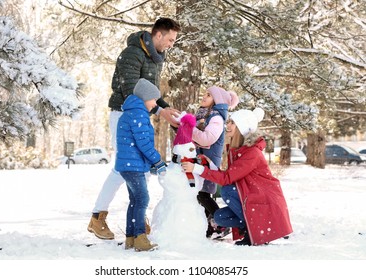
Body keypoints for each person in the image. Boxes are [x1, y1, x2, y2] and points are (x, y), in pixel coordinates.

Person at [87, 18, 181, 240]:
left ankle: (137, 221)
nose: (171, 44)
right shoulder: (132, 53)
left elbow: (151, 92)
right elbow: (131, 89)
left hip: (139, 114)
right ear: (158, 35)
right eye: (170, 39)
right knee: (123, 166)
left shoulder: (155, 58)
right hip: (123, 114)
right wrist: (160, 112)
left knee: (142, 168)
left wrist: (167, 108)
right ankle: (97, 217)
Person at [182, 107, 293, 246]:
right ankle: (250, 227)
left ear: (242, 127)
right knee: (219, 217)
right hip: (251, 197)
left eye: (232, 123)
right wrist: (211, 167)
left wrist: (197, 169)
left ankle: (252, 231)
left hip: (263, 200)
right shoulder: (237, 150)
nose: (227, 125)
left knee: (227, 190)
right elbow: (231, 175)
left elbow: (227, 179)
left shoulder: (252, 153)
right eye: (228, 122)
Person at [115, 78, 167, 251]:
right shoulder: (138, 113)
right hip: (133, 166)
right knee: (142, 199)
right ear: (145, 98)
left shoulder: (131, 111)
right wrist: (158, 161)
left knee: (135, 201)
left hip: (128, 165)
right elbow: (143, 143)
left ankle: (131, 238)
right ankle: (140, 238)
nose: (154, 104)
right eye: (153, 100)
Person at [192, 86, 239, 238]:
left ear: (216, 101)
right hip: (200, 160)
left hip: (209, 162)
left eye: (209, 95)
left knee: (203, 195)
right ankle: (212, 227)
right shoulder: (204, 115)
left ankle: (221, 224)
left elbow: (207, 138)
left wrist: (189, 129)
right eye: (204, 94)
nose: (204, 97)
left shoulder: (216, 118)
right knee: (201, 195)